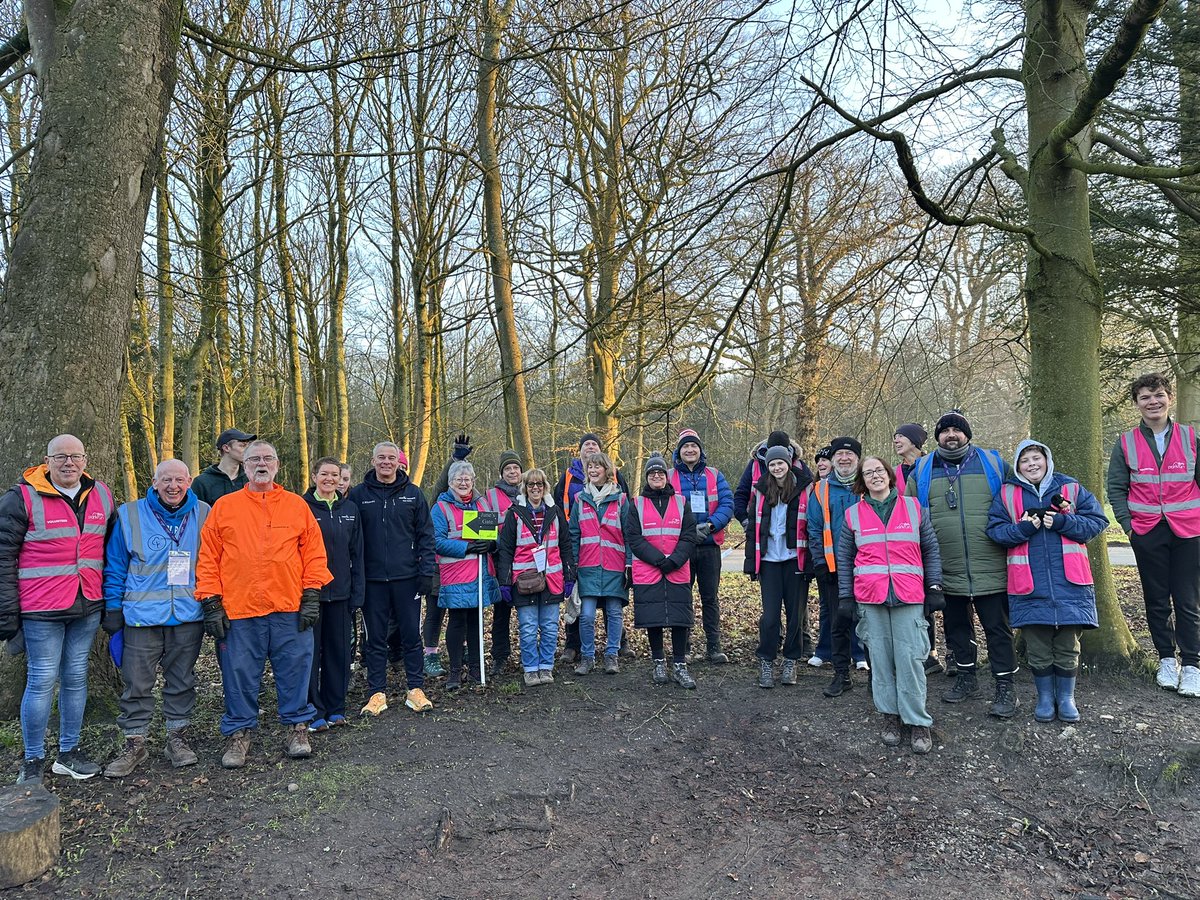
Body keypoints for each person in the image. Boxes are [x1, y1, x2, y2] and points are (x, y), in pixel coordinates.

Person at [195, 440, 331, 768]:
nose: (261, 464)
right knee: (238, 672)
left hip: (289, 606)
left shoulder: (297, 506)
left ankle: (298, 727)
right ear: (243, 466)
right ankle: (239, 732)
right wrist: (211, 601)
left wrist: (311, 593)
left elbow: (313, 552)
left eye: (268, 458)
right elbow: (208, 557)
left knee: (296, 668)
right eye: (254, 458)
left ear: (277, 465)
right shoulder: (225, 507)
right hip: (239, 608)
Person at [0, 435, 114, 785]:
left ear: (85, 460)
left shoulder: (102, 494)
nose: (69, 463)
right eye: (60, 457)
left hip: (87, 604)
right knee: (41, 682)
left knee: (76, 678)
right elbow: (3, 557)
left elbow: (109, 549)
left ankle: (68, 753)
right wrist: (7, 615)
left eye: (75, 456)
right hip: (41, 608)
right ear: (46, 460)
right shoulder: (21, 497)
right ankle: (32, 759)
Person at [906, 410, 1018, 716]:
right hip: (945, 566)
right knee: (956, 629)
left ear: (967, 434)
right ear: (937, 437)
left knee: (997, 628)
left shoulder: (993, 464)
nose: (950, 435)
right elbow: (910, 517)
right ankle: (967, 678)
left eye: (957, 429)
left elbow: (1018, 500)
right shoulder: (922, 470)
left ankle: (1006, 686)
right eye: (944, 431)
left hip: (991, 564)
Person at [101, 459, 208, 778]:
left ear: (189, 481)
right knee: (136, 683)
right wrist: (113, 608)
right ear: (154, 482)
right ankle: (135, 742)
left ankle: (177, 738)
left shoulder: (205, 513)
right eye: (166, 480)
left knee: (182, 681)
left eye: (179, 479)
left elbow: (215, 561)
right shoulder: (129, 514)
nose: (173, 486)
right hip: (141, 618)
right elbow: (115, 565)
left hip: (188, 614)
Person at [988, 441, 1108, 721]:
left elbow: (1098, 521)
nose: (1031, 464)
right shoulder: (1007, 493)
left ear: (1047, 460)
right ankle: (1044, 698)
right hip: (1029, 584)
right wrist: (1024, 529)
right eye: (1024, 461)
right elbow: (995, 531)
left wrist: (1065, 523)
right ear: (1017, 467)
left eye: (1036, 458)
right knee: (1038, 646)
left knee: (1068, 645)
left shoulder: (1071, 488)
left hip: (1070, 582)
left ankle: (1066, 698)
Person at [838, 457, 944, 754]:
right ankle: (890, 716)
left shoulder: (914, 509)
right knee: (881, 661)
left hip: (909, 595)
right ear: (862, 480)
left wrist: (934, 586)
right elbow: (845, 559)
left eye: (879, 471)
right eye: (868, 472)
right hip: (870, 597)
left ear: (889, 475)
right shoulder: (852, 516)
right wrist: (846, 596)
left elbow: (931, 549)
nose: (875, 476)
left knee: (910, 659)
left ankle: (918, 721)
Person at [1107, 372, 1200, 698]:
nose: (1153, 401)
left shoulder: (1190, 438)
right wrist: (1128, 526)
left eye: (1158, 394)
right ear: (1137, 404)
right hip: (1146, 531)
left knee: (1188, 600)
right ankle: (1165, 660)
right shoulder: (1127, 442)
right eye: (1145, 397)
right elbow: (1116, 487)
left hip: (1189, 531)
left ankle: (1191, 665)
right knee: (1156, 599)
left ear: (1169, 398)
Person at [348, 441, 436, 716]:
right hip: (372, 580)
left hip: (407, 578)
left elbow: (426, 536)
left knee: (411, 635)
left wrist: (427, 572)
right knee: (375, 638)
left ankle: (415, 689)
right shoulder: (358, 495)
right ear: (372, 461)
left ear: (399, 462)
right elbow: (351, 539)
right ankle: (376, 693)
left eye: (391, 458)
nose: (386, 462)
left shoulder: (413, 494)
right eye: (381, 458)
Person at [625, 454, 701, 688]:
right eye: (652, 473)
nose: (656, 476)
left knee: (680, 618)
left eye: (660, 473)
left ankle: (679, 665)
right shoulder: (636, 504)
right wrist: (659, 560)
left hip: (677, 569)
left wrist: (675, 560)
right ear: (647, 477)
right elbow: (634, 538)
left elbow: (689, 535)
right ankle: (658, 661)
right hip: (649, 570)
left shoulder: (681, 502)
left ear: (667, 477)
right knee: (653, 618)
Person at [555, 432, 631, 664]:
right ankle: (582, 653)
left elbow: (629, 533)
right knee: (584, 614)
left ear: (607, 469)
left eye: (599, 466)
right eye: (591, 467)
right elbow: (571, 528)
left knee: (614, 612)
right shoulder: (575, 491)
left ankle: (612, 653)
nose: (594, 469)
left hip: (613, 564)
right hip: (586, 564)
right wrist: (572, 564)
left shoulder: (620, 497)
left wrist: (629, 562)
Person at [303, 457, 365, 731]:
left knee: (338, 654)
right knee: (311, 654)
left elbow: (357, 553)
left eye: (335, 475)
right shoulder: (301, 507)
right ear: (314, 476)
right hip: (311, 596)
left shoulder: (350, 509)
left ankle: (336, 708)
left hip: (341, 593)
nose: (330, 479)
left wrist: (357, 592)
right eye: (324, 474)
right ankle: (313, 710)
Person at [744, 444, 813, 688]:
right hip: (769, 561)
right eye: (772, 464)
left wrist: (812, 562)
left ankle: (791, 660)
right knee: (770, 616)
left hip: (796, 559)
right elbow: (753, 526)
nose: (776, 467)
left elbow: (811, 524)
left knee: (795, 616)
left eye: (780, 463)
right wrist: (751, 562)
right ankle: (766, 660)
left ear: (789, 463)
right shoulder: (761, 489)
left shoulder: (805, 487)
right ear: (768, 466)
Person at [497, 468, 574, 685]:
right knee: (529, 627)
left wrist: (570, 575)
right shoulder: (514, 513)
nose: (535, 488)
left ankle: (546, 666)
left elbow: (566, 545)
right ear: (525, 488)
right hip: (524, 580)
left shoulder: (555, 512)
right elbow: (506, 549)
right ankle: (531, 668)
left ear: (545, 487)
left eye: (539, 484)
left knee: (550, 626)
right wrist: (504, 581)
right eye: (531, 485)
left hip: (552, 579)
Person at [808, 436, 869, 698]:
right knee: (838, 621)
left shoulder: (869, 484)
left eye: (849, 454)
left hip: (868, 568)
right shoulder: (820, 490)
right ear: (832, 460)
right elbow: (813, 528)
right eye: (839, 455)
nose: (844, 458)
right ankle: (841, 674)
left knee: (871, 622)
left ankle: (876, 677)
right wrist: (820, 562)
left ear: (858, 458)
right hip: (833, 570)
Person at [432, 460, 500, 689]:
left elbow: (496, 535)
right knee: (457, 620)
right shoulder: (441, 508)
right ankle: (454, 671)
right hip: (456, 573)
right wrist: (467, 548)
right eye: (458, 480)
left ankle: (475, 669)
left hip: (480, 572)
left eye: (467, 479)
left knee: (476, 622)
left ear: (473, 481)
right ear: (450, 482)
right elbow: (437, 541)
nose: (463, 483)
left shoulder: (481, 504)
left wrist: (491, 545)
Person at [669, 429, 734, 663]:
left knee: (710, 598)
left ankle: (713, 646)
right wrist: (686, 532)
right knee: (682, 598)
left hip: (709, 546)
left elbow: (728, 503)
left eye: (693, 446)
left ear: (700, 449)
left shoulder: (714, 475)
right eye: (685, 446)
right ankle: (683, 647)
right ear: (679, 451)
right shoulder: (668, 476)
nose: (690, 450)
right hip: (682, 547)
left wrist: (711, 525)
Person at [893, 422, 945, 677]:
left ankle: (940, 652)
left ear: (915, 441)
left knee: (938, 593)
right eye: (894, 436)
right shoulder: (893, 473)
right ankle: (924, 653)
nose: (896, 440)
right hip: (907, 542)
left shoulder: (935, 465)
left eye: (901, 436)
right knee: (916, 595)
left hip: (937, 536)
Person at [191, 428, 255, 506]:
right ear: (226, 448)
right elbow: (197, 515)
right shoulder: (202, 483)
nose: (248, 450)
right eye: (243, 446)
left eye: (248, 446)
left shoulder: (251, 479)